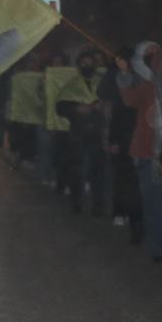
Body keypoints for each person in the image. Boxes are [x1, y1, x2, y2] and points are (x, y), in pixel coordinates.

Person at [117, 41, 162, 262]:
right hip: (148, 155)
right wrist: (124, 73)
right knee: (154, 202)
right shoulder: (149, 88)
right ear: (161, 64)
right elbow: (129, 98)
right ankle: (157, 246)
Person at [55, 50, 108, 215]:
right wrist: (76, 108)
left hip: (97, 132)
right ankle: (76, 203)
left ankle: (98, 205)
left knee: (98, 169)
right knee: (76, 169)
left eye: (90, 63)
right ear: (78, 66)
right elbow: (60, 107)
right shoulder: (72, 84)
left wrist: (102, 106)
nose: (87, 66)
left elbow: (112, 101)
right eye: (83, 63)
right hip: (78, 132)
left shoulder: (102, 82)